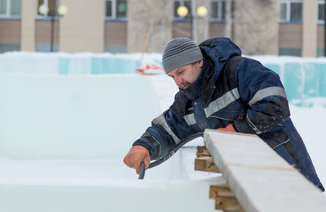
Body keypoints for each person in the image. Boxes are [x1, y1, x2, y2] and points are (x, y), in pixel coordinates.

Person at [123, 37, 325, 192]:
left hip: (285, 169)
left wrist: (236, 130)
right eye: (172, 76)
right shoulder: (189, 99)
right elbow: (169, 128)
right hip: (248, 183)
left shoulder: (240, 71)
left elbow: (275, 104)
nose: (178, 81)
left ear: (198, 62)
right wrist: (145, 145)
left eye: (181, 72)